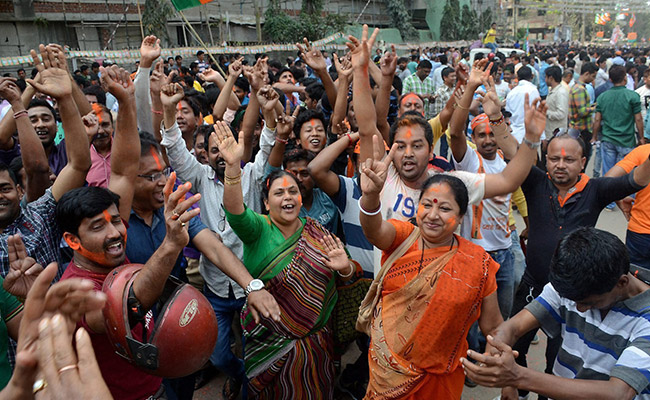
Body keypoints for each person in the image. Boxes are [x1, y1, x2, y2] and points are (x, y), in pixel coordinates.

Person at [503, 131, 650, 400]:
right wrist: (508, 379)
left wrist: (518, 376)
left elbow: (638, 178)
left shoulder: (595, 189)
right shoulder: (535, 182)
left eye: (569, 159)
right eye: (554, 159)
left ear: (583, 162)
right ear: (544, 161)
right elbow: (509, 330)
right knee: (521, 344)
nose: (560, 165)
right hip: (535, 283)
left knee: (557, 351)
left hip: (579, 283)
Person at [215, 121, 350, 399]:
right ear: (266, 203)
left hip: (316, 348)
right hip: (269, 346)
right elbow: (235, 211)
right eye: (279, 192)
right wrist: (232, 168)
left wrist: (345, 268)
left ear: (301, 200)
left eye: (293, 192)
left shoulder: (316, 232)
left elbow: (343, 279)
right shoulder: (259, 229)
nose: (287, 197)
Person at [358, 167, 503, 399]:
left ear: (462, 216)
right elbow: (374, 230)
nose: (433, 215)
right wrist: (371, 196)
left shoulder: (478, 264)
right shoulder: (403, 238)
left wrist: (500, 365)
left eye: (445, 208)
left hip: (439, 385)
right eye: (427, 205)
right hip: (386, 377)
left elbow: (494, 326)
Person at [462, 227, 650, 400]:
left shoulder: (646, 319)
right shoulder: (571, 287)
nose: (579, 309)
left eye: (588, 303)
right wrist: (498, 357)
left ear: (622, 282)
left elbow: (618, 393)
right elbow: (513, 327)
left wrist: (516, 376)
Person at [593, 64, 645, 210]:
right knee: (627, 173)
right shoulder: (632, 96)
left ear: (610, 79)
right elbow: (638, 119)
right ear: (624, 78)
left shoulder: (603, 97)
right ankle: (628, 199)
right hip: (626, 140)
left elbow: (597, 119)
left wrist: (595, 136)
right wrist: (641, 137)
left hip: (608, 138)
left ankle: (609, 202)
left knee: (609, 171)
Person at [605, 143, 650, 270]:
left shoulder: (643, 151)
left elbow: (607, 180)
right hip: (640, 234)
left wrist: (620, 199)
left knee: (636, 282)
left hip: (640, 233)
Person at [506, 65, 540, 143]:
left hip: (514, 134)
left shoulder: (512, 93)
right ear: (532, 76)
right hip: (529, 135)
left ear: (517, 77)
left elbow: (508, 115)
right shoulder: (533, 91)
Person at [544, 66, 569, 138]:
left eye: (546, 77)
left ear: (551, 78)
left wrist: (546, 112)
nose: (545, 80)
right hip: (550, 131)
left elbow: (561, 114)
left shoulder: (561, 92)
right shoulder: (552, 90)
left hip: (557, 134)